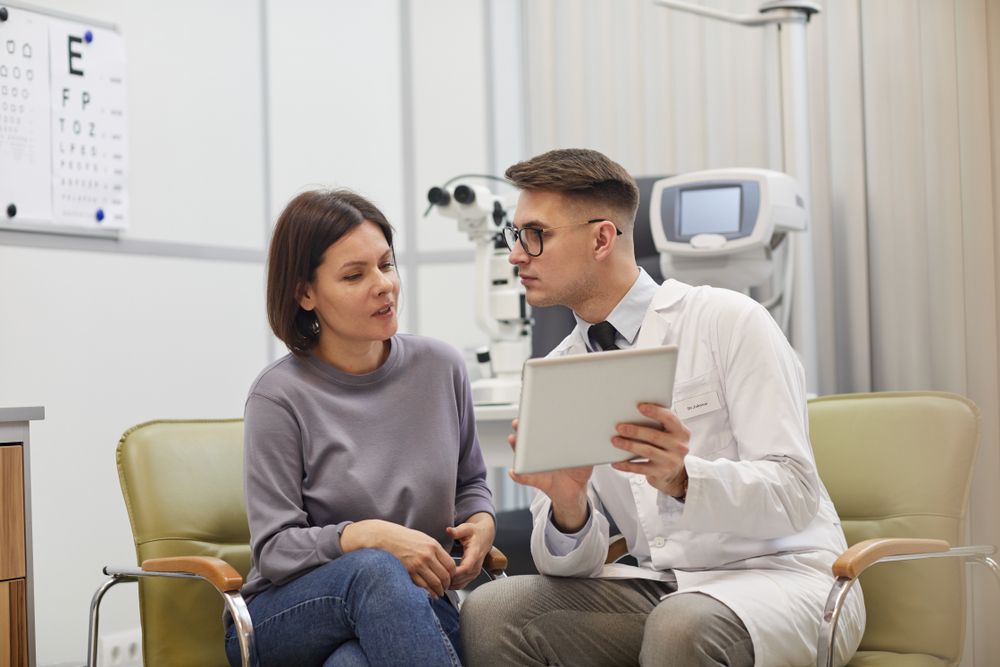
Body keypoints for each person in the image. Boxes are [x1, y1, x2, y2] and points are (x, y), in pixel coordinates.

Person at [460, 149, 865, 666]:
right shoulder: (558, 368)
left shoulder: (728, 321)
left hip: (784, 580)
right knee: (493, 610)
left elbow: (795, 495)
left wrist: (683, 479)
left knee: (682, 626)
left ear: (602, 238)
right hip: (663, 586)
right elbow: (568, 566)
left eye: (535, 235)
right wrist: (569, 506)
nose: (517, 255)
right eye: (515, 236)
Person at [225, 189, 495, 667]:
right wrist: (368, 535)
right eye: (354, 275)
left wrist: (482, 524)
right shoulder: (278, 396)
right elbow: (275, 549)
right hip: (287, 614)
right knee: (375, 569)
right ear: (304, 293)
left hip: (416, 608)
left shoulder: (442, 368)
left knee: (351, 664)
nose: (383, 285)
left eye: (386, 265)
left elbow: (470, 483)